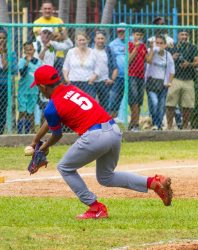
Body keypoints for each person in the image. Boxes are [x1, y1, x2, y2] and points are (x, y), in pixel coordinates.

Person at [28, 65, 173, 219]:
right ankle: (154, 183)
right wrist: (35, 141)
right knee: (106, 177)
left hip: (95, 136)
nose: (38, 89)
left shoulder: (52, 107)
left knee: (64, 167)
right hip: (114, 131)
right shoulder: (71, 89)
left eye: (38, 86)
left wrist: (42, 148)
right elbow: (49, 120)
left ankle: (95, 207)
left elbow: (57, 135)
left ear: (43, 86)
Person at [166, 30, 198, 130]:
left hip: (188, 80)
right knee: (170, 104)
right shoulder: (172, 47)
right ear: (178, 36)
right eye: (182, 34)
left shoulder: (192, 47)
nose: (184, 37)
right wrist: (172, 58)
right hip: (174, 79)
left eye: (186, 35)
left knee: (187, 106)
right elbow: (164, 61)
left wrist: (188, 64)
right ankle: (169, 127)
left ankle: (185, 127)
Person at [145, 35, 175, 130]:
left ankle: (157, 125)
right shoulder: (150, 51)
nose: (159, 45)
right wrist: (153, 50)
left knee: (161, 106)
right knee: (154, 102)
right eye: (157, 43)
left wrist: (169, 82)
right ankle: (155, 122)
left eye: (161, 43)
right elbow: (148, 61)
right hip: (151, 81)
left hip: (163, 83)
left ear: (165, 45)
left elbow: (172, 70)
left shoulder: (168, 55)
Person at [33, 1, 65, 74]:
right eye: (45, 8)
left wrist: (48, 35)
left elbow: (62, 36)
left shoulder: (59, 21)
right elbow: (40, 35)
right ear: (42, 9)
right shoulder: (37, 22)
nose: (47, 10)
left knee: (57, 81)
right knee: (43, 80)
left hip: (58, 54)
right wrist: (55, 34)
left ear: (53, 9)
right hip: (43, 55)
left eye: (49, 8)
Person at [63, 31, 99, 97]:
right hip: (73, 82)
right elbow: (65, 67)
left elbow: (97, 69)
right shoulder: (71, 52)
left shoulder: (93, 52)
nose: (82, 42)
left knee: (88, 103)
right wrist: (66, 78)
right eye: (79, 40)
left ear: (87, 40)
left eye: (83, 40)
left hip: (88, 83)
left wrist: (92, 79)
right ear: (76, 41)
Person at [17, 42, 42, 134]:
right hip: (23, 91)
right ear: (24, 51)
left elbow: (40, 76)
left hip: (34, 91)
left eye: (30, 50)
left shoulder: (38, 62)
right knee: (22, 111)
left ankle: (27, 132)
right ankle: (19, 132)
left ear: (34, 50)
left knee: (30, 112)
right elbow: (22, 74)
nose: (29, 52)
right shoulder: (22, 61)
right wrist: (27, 62)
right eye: (26, 50)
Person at [128, 28, 148, 131]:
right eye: (137, 34)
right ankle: (135, 124)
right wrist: (135, 49)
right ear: (133, 35)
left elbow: (148, 60)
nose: (138, 37)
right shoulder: (129, 45)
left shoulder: (143, 46)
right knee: (134, 100)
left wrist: (152, 49)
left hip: (141, 76)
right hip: (132, 76)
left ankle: (133, 123)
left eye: (140, 35)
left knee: (139, 101)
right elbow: (128, 60)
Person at [92, 30, 118, 110]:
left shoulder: (108, 50)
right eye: (98, 38)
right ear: (94, 39)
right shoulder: (90, 51)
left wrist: (112, 79)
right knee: (91, 105)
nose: (100, 40)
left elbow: (115, 67)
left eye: (102, 38)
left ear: (105, 39)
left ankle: (103, 122)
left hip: (104, 82)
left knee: (104, 107)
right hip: (92, 82)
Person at [0, 29, 17, 134]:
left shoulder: (11, 53)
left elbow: (13, 70)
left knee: (2, 110)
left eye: (3, 38)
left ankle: (1, 131)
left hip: (5, 86)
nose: (1, 40)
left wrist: (3, 54)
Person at [109, 23, 127, 118]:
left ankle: (132, 123)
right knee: (114, 100)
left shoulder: (132, 42)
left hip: (130, 77)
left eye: (123, 31)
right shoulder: (112, 44)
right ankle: (112, 121)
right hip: (117, 77)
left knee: (133, 101)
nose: (121, 33)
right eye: (119, 31)